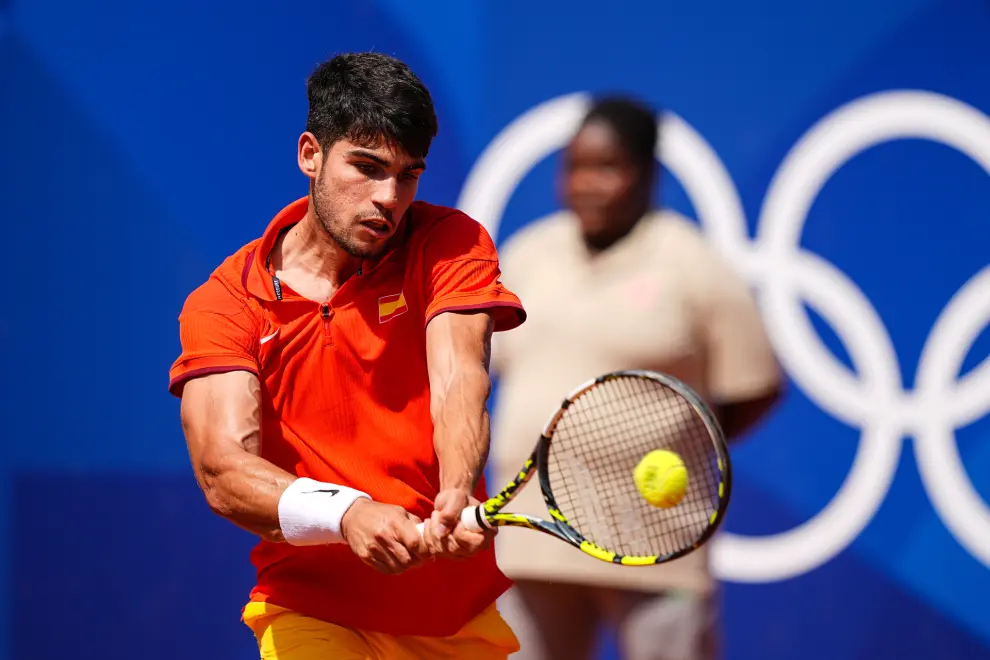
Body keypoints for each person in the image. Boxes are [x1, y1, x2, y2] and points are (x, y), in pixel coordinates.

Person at [168, 52, 526, 659]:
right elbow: (222, 469)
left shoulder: (450, 243)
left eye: (408, 175)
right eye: (366, 167)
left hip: (452, 617)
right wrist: (347, 513)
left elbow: (459, 378)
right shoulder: (225, 302)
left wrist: (457, 490)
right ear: (311, 154)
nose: (388, 197)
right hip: (311, 610)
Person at [490, 96, 783, 660]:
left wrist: (678, 443)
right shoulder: (526, 255)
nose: (586, 184)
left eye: (607, 168)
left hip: (655, 543)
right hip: (531, 542)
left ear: (647, 174)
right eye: (574, 168)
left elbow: (755, 388)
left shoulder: (694, 264)